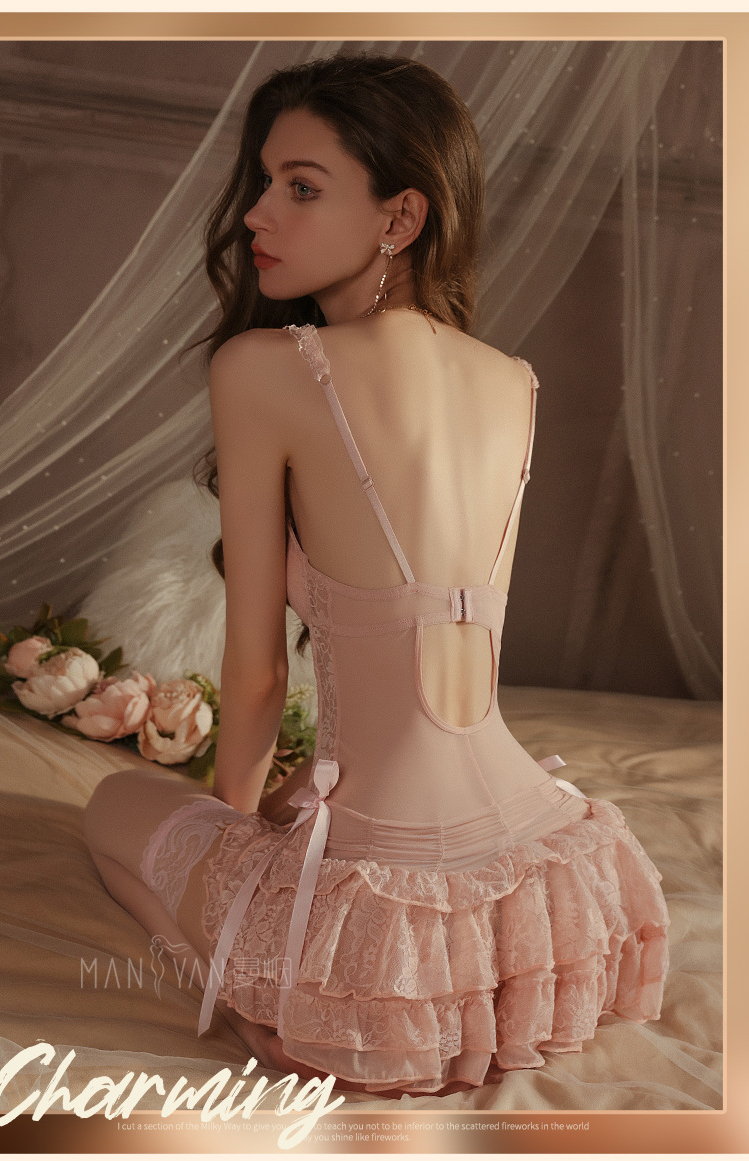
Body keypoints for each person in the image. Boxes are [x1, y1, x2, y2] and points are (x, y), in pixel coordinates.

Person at [84, 53, 670, 1098]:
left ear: (400, 216)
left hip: (383, 879)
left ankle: (241, 992)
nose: (257, 212)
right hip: (535, 864)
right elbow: (453, 652)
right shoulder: (513, 381)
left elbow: (258, 673)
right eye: (263, 181)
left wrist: (235, 845)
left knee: (111, 805)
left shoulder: (264, 369)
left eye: (301, 187)